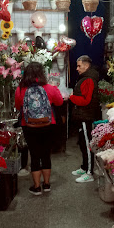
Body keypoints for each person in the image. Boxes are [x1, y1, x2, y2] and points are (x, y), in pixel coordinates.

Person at [15, 62, 63, 195]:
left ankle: (36, 187)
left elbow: (18, 105)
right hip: (48, 125)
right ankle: (46, 184)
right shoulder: (49, 88)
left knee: (35, 155)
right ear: (42, 73)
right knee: (46, 154)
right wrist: (55, 88)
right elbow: (59, 102)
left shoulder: (20, 89)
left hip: (29, 126)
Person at [69, 55, 100, 183]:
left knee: (87, 144)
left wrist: (71, 97)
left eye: (79, 66)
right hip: (82, 115)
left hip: (85, 116)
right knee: (82, 143)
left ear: (86, 66)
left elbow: (86, 100)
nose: (77, 69)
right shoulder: (85, 78)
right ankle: (84, 167)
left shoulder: (89, 80)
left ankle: (89, 173)